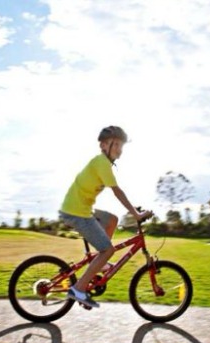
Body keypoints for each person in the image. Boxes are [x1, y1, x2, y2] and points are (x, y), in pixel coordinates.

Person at [59, 126, 153, 309]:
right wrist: (137, 214)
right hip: (77, 212)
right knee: (108, 250)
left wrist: (134, 211)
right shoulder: (101, 162)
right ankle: (78, 288)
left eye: (121, 145)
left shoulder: (103, 163)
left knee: (112, 220)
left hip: (80, 209)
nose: (119, 149)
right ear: (103, 145)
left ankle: (99, 263)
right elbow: (117, 192)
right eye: (115, 144)